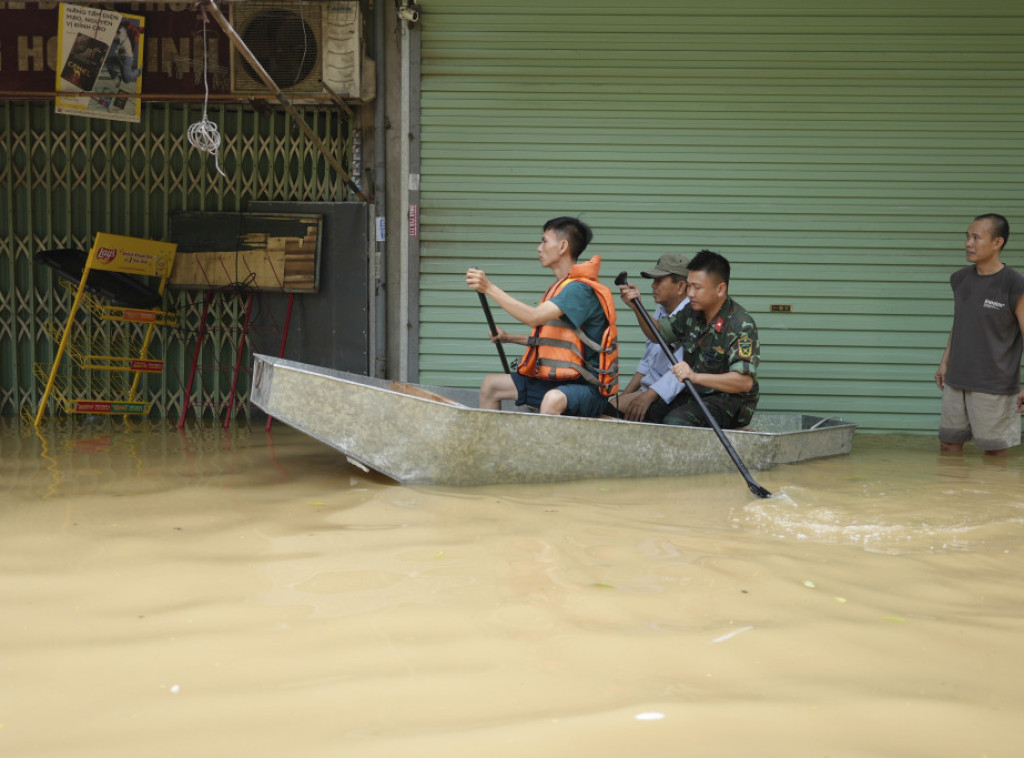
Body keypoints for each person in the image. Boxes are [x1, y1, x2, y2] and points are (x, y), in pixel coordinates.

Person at [465, 217, 618, 417]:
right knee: (491, 385)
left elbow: (533, 317)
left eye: (545, 241)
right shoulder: (560, 287)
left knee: (552, 399)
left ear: (563, 246)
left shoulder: (579, 290)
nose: (539, 248)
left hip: (586, 389)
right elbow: (554, 341)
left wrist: (489, 288)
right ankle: (489, 447)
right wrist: (508, 337)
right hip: (555, 383)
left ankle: (541, 448)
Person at [622, 249, 759, 428]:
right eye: (689, 286)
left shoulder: (740, 324)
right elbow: (658, 334)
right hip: (695, 394)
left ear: (720, 289)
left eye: (697, 287)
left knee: (677, 421)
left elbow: (744, 382)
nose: (691, 293)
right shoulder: (692, 313)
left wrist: (695, 377)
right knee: (646, 412)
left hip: (728, 401)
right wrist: (637, 307)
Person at [935, 213, 1024, 456]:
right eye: (967, 237)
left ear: (997, 243)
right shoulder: (960, 279)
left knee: (994, 451)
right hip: (957, 379)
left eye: (976, 237)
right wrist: (945, 362)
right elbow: (961, 323)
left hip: (994, 384)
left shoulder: (1014, 284)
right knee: (948, 445)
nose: (968, 243)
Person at [614, 253, 690, 421]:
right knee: (610, 410)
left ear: (681, 286)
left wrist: (647, 396)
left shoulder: (691, 316)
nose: (653, 286)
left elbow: (682, 371)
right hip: (649, 391)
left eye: (659, 280)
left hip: (671, 397)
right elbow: (647, 363)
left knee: (606, 412)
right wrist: (622, 398)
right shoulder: (662, 311)